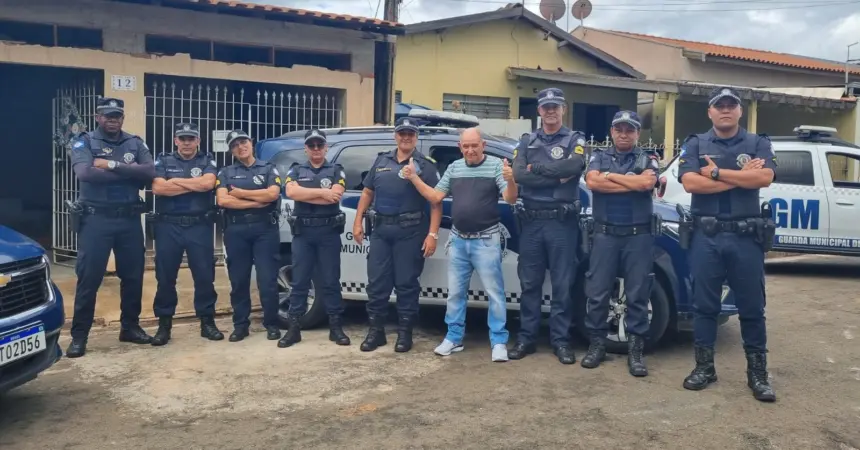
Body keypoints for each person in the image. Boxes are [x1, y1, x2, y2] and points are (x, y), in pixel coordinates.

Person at [677, 86, 778, 402]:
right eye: (719, 105)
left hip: (745, 237)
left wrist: (717, 172)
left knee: (751, 307)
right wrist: (739, 177)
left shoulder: (757, 142)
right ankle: (704, 368)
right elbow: (690, 182)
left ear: (739, 111)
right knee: (704, 306)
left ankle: (757, 375)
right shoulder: (696, 143)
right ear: (710, 112)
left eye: (731, 105)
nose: (725, 110)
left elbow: (764, 178)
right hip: (706, 237)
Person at [402, 127, 519, 362]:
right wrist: (414, 177)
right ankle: (453, 338)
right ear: (460, 148)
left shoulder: (497, 166)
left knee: (495, 294)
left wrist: (511, 179)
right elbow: (436, 197)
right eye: (465, 146)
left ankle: (498, 342)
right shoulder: (454, 168)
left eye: (474, 145)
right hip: (458, 240)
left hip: (486, 239)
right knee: (455, 294)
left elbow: (510, 198)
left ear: (483, 145)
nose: (470, 150)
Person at [66, 97, 156, 358]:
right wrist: (131, 171)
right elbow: (85, 173)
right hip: (96, 220)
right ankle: (79, 336)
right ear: (97, 117)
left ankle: (130, 327)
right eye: (107, 115)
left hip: (128, 220)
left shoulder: (134, 142)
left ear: (122, 118)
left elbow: (150, 172)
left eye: (116, 115)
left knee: (133, 277)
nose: (112, 119)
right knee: (89, 279)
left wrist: (112, 165)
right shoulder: (84, 141)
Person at [509, 87, 587, 365]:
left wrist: (537, 171)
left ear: (563, 109)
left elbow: (575, 166)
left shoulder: (575, 139)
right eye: (546, 107)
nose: (551, 111)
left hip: (561, 223)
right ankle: (526, 338)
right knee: (529, 284)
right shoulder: (527, 140)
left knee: (563, 285)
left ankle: (561, 341)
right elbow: (518, 175)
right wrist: (556, 176)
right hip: (531, 223)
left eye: (556, 106)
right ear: (539, 110)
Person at [352, 117, 442, 353]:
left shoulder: (426, 165)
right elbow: (367, 192)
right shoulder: (382, 161)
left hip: (410, 233)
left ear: (416, 137)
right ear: (395, 135)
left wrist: (432, 234)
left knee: (406, 285)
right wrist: (357, 222)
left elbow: (435, 203)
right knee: (377, 284)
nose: (406, 137)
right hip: (381, 232)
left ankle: (405, 334)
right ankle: (376, 332)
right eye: (402, 133)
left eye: (411, 134)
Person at [581, 111, 659, 377]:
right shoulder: (598, 156)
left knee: (638, 294)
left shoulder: (647, 158)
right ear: (612, 132)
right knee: (598, 292)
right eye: (619, 129)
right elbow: (593, 182)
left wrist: (611, 178)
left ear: (638, 133)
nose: (624, 134)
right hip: (605, 235)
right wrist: (630, 182)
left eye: (630, 130)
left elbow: (647, 183)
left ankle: (636, 352)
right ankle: (597, 346)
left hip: (638, 236)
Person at [149, 122, 223, 345]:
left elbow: (209, 183)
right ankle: (164, 325)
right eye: (183, 138)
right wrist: (194, 184)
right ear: (175, 140)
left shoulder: (206, 160)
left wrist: (175, 182)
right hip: (167, 226)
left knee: (204, 276)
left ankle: (207, 322)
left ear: (198, 141)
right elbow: (159, 188)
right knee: (165, 277)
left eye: (191, 138)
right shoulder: (163, 160)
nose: (187, 142)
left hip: (199, 226)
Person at [279, 129, 350, 348]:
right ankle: (294, 328)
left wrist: (309, 193)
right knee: (299, 281)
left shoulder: (336, 169)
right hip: (304, 234)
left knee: (330, 281)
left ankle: (335, 327)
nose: (316, 149)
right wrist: (322, 193)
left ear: (326, 147)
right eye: (312, 145)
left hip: (328, 233)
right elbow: (292, 193)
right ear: (306, 148)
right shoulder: (296, 169)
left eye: (320, 145)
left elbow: (336, 196)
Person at [216, 129, 283, 343]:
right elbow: (224, 201)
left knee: (268, 280)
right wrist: (256, 202)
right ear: (231, 150)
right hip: (236, 231)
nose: (240, 147)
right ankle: (240, 325)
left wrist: (241, 193)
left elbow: (272, 194)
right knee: (239, 280)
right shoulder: (225, 172)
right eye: (235, 145)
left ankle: (271, 324)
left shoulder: (269, 168)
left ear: (251, 143)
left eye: (243, 142)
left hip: (265, 230)